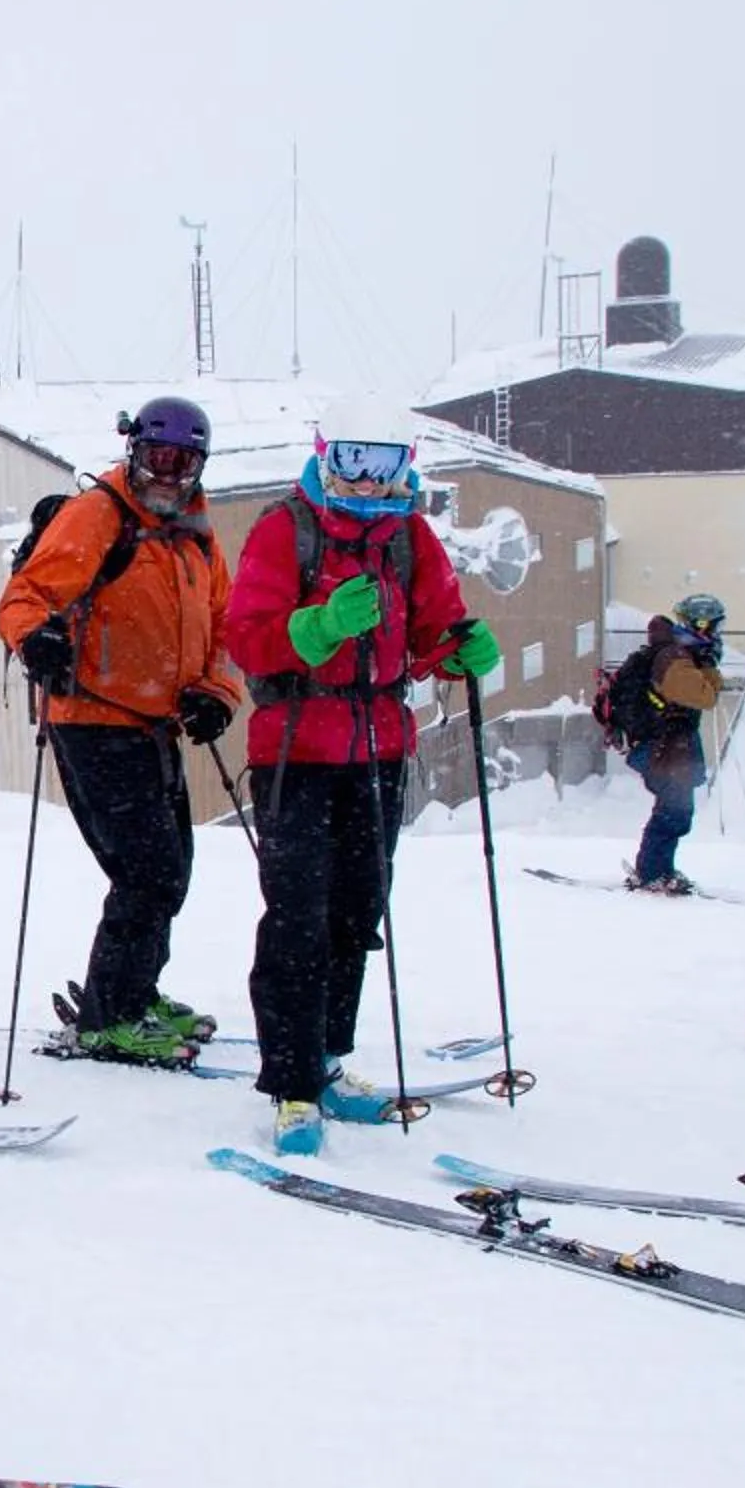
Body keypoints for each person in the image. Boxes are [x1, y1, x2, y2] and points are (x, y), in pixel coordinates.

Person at [222, 399, 490, 1155]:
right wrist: (318, 627)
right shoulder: (287, 528)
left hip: (378, 750)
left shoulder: (408, 536)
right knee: (297, 918)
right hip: (295, 751)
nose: (367, 483)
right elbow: (246, 636)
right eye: (352, 463)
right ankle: (293, 1083)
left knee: (356, 914)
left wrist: (459, 651)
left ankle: (330, 1059)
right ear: (323, 456)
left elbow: (438, 626)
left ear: (406, 465)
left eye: (384, 465)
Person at [0, 397, 242, 1064]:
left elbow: (226, 626)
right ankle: (110, 1016)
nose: (168, 475)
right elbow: (23, 600)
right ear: (134, 453)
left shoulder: (196, 532)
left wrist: (217, 693)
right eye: (157, 458)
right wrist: (36, 640)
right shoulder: (97, 516)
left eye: (183, 462)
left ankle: (135, 990)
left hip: (156, 725)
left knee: (170, 870)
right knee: (148, 871)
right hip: (93, 719)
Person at [611, 595, 727, 894]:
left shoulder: (680, 655)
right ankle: (652, 873)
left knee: (675, 809)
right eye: (714, 626)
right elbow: (704, 696)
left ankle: (657, 870)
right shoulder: (674, 659)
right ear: (699, 625)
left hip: (669, 746)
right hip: (661, 746)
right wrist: (710, 667)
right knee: (674, 810)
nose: (717, 633)